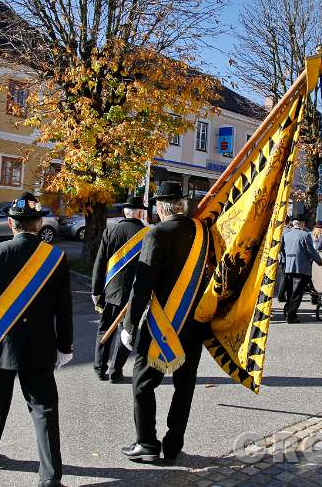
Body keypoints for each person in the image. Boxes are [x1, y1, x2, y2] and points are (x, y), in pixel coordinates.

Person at [0, 192, 73, 487]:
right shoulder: (56, 257)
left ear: (10, 223)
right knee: (45, 410)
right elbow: (64, 309)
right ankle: (50, 477)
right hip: (40, 347)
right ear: (38, 224)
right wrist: (65, 346)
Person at [119, 182, 207, 463]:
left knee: (143, 383)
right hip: (193, 322)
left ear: (160, 207)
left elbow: (142, 284)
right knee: (185, 385)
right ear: (182, 205)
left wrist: (130, 325)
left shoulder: (157, 232)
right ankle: (173, 445)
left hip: (162, 321)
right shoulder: (203, 232)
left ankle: (146, 443)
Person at [91, 195, 148, 383]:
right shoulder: (148, 234)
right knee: (127, 333)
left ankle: (100, 368)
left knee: (104, 329)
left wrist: (96, 291)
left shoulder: (110, 231)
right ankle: (116, 372)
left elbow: (99, 264)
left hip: (111, 292)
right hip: (134, 294)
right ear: (140, 213)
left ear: (125, 212)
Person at [281, 217, 322, 324]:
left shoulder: (286, 235)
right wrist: (320, 262)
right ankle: (291, 316)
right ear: (301, 224)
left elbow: (282, 249)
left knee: (290, 291)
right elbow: (311, 251)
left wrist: (287, 259)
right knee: (297, 293)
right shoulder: (305, 235)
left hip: (289, 267)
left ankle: (288, 310)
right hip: (301, 268)